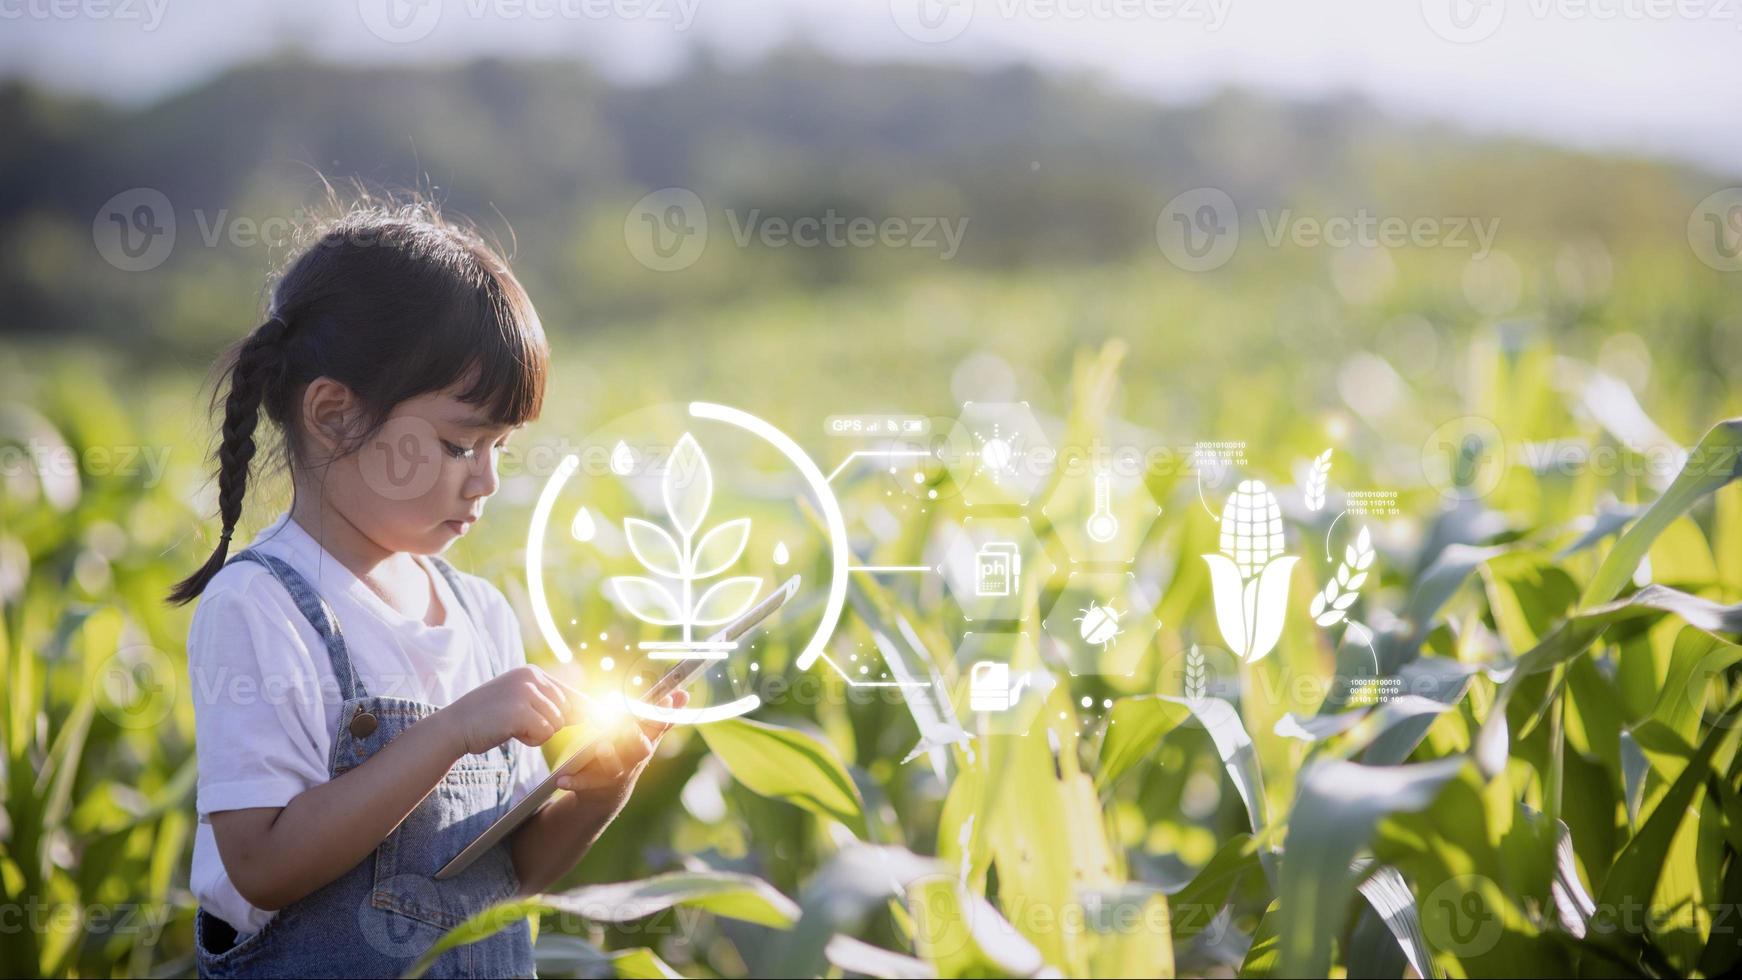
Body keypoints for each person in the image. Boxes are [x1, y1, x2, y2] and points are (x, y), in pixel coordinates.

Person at [168, 198, 682, 978]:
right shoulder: (261, 607)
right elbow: (262, 864)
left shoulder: (480, 615)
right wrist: (452, 731)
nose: (487, 480)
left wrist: (604, 786)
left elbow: (504, 881)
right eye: (457, 444)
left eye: (500, 447)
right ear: (336, 416)